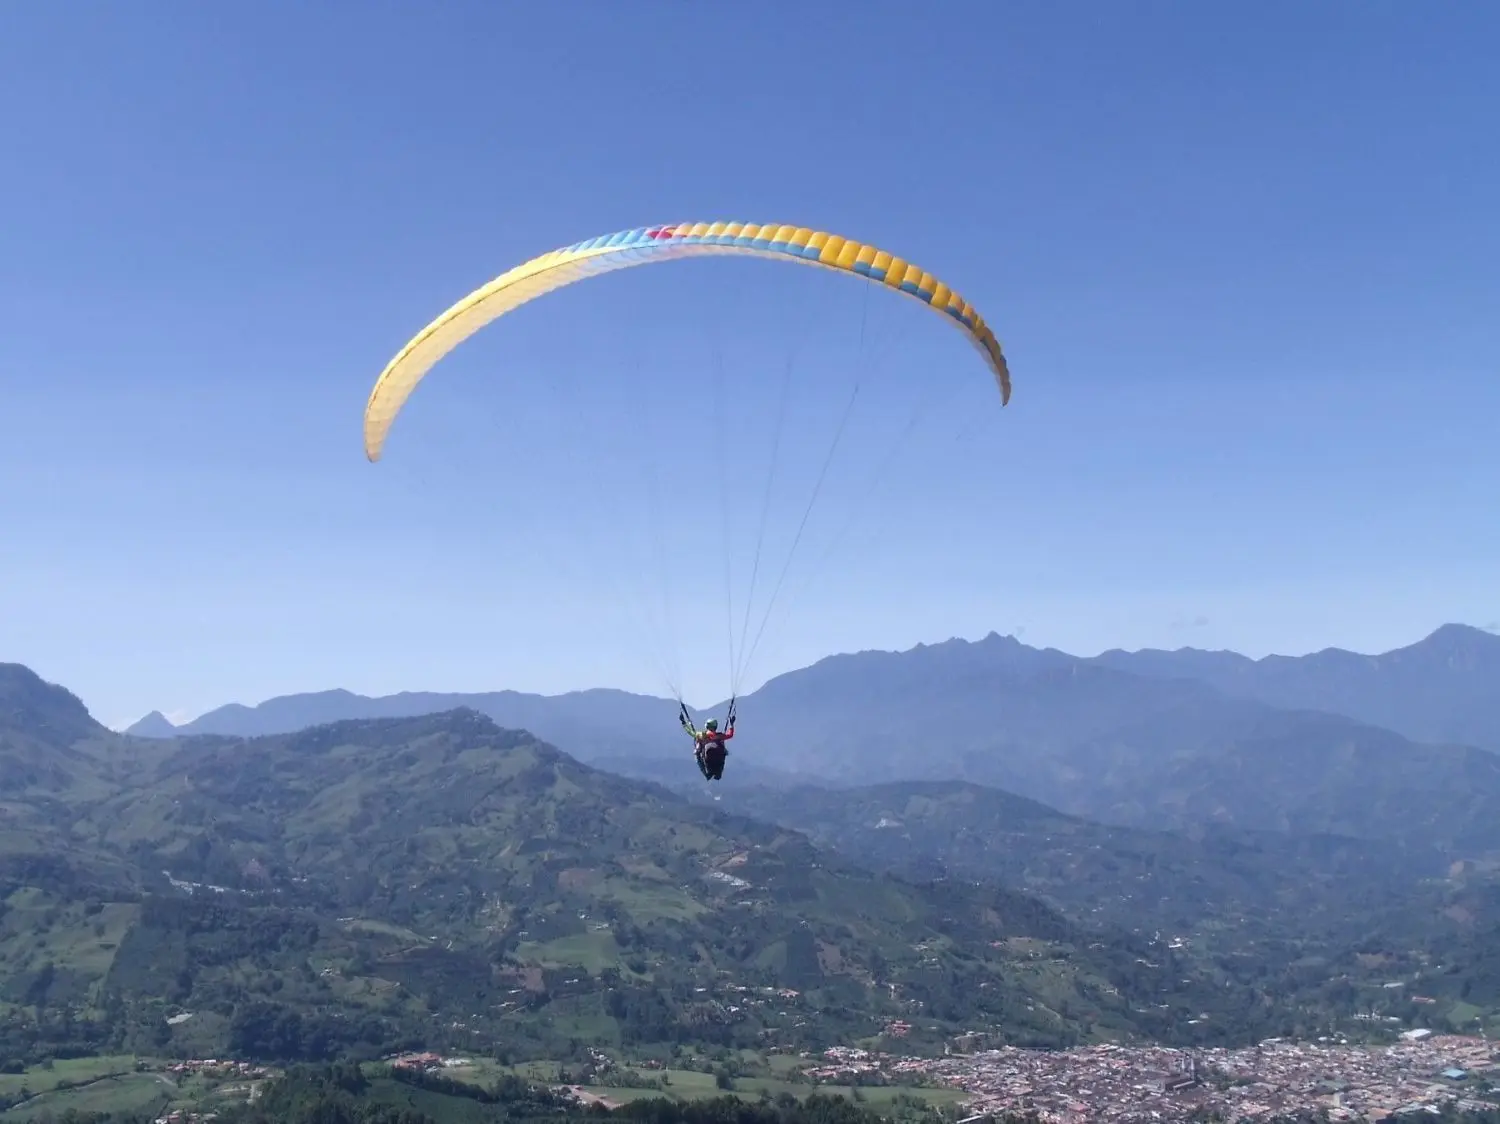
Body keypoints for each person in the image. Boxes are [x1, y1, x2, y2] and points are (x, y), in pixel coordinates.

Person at [680, 706, 734, 781]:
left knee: (696, 753)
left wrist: (684, 723)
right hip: (719, 761)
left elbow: (691, 732)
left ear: (706, 726)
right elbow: (730, 735)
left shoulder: (701, 735)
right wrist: (731, 725)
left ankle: (706, 774)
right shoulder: (720, 736)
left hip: (707, 761)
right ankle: (719, 773)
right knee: (723, 751)